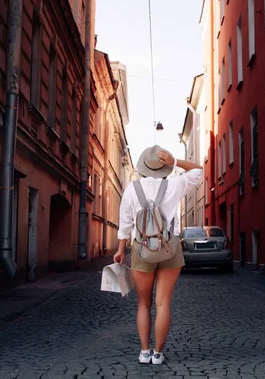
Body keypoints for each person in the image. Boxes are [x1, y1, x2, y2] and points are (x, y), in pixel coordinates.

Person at [114, 145, 203, 365]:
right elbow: (198, 171)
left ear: (143, 167)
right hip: (170, 250)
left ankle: (144, 352)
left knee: (144, 304)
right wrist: (175, 162)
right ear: (164, 167)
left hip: (141, 250)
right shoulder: (175, 184)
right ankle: (158, 354)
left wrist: (120, 249)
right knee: (163, 303)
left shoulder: (132, 189)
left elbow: (125, 224)